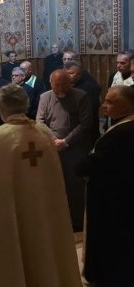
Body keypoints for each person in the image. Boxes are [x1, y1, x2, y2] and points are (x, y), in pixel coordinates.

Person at [0, 84, 82, 287]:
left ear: (2, 107)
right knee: (47, 249)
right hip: (45, 210)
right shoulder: (43, 132)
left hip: (15, 215)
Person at [77, 86, 134, 287]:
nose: (104, 105)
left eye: (110, 102)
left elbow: (93, 163)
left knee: (112, 243)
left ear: (128, 105)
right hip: (122, 196)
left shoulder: (122, 131)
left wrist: (82, 165)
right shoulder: (123, 126)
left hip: (112, 200)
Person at [36, 69, 92, 232]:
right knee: (53, 184)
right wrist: (53, 139)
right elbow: (39, 121)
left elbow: (85, 124)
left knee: (74, 186)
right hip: (51, 147)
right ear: (50, 83)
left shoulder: (81, 96)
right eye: (56, 84)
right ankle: (56, 219)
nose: (59, 88)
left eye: (63, 84)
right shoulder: (45, 97)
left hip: (75, 147)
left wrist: (66, 142)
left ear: (70, 83)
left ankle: (76, 222)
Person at [65, 61, 101, 143]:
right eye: (66, 73)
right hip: (69, 129)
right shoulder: (63, 86)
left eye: (71, 73)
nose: (67, 76)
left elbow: (91, 110)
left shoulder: (90, 88)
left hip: (87, 128)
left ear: (79, 74)